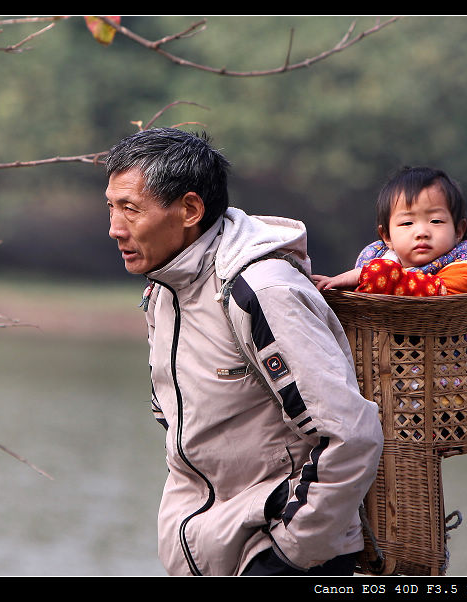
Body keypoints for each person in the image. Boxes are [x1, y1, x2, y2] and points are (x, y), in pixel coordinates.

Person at [105, 127, 383, 576]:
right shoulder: (164, 290)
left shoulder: (262, 289)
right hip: (208, 551)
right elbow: (177, 425)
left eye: (131, 210)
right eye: (112, 207)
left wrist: (291, 552)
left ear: (190, 209)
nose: (115, 228)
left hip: (277, 553)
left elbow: (351, 433)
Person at [313, 166, 467, 296]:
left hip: (446, 348)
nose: (422, 232)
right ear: (387, 237)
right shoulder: (381, 257)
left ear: (458, 231)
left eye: (436, 221)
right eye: (407, 222)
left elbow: (424, 289)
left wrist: (362, 275)